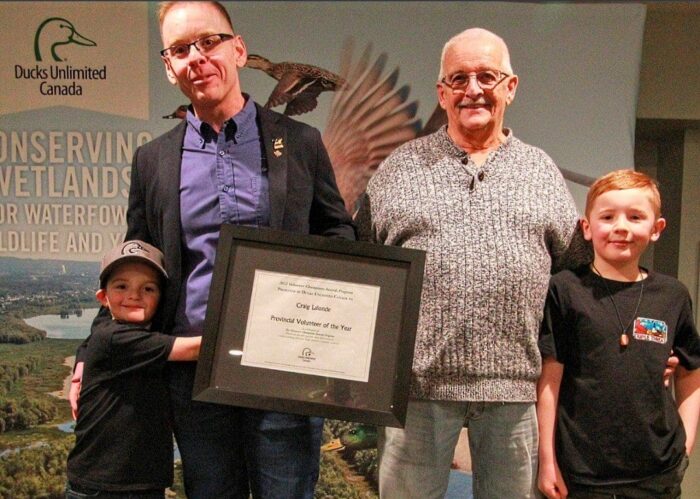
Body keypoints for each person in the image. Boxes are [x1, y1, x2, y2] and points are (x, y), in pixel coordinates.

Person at [70, 2, 354, 498]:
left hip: (284, 372)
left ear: (238, 49)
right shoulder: (153, 160)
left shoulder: (301, 142)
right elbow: (138, 265)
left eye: (208, 42)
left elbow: (338, 238)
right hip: (195, 378)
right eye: (181, 49)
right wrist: (87, 354)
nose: (197, 57)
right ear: (169, 66)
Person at [355, 27, 583, 498]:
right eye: (458, 79)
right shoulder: (399, 168)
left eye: (487, 76)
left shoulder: (541, 171)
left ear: (511, 88)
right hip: (416, 392)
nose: (473, 90)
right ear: (442, 93)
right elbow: (361, 263)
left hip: (514, 393)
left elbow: (575, 273)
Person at [537, 169, 700, 499]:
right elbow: (550, 381)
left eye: (636, 217)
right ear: (586, 227)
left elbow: (690, 371)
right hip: (581, 472)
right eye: (608, 216)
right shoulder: (565, 290)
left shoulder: (673, 295)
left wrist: (685, 443)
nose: (621, 227)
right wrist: (546, 460)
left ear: (656, 229)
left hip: (656, 472)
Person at [66, 240, 201, 498]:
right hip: (101, 487)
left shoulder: (143, 337)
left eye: (148, 288)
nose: (134, 295)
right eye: (121, 286)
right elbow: (196, 349)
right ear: (103, 298)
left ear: (162, 298)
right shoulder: (113, 339)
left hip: (141, 485)